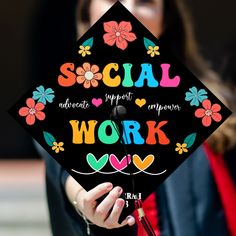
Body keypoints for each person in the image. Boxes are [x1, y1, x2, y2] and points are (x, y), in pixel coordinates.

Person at [35, 0, 236, 235]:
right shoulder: (61, 104)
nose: (127, 12)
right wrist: (85, 200)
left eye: (144, 1)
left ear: (166, 19)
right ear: (87, 13)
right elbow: (65, 169)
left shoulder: (210, 103)